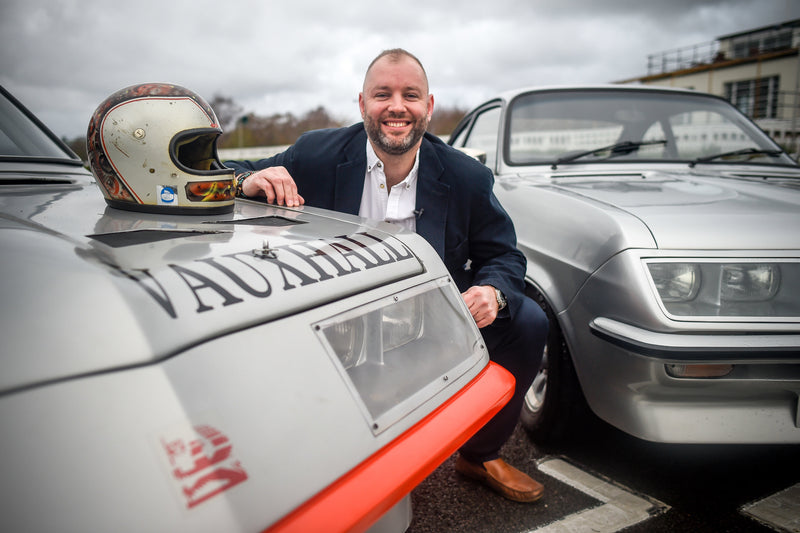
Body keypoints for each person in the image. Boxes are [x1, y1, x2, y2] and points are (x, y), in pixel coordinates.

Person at [225, 48, 548, 503]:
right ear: (362, 105)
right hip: (334, 320)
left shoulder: (467, 176)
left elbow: (504, 256)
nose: (397, 106)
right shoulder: (316, 153)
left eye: (410, 95)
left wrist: (492, 292)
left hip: (430, 321)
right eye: (383, 94)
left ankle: (479, 455)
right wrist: (248, 183)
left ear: (428, 107)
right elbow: (224, 172)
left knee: (529, 320)